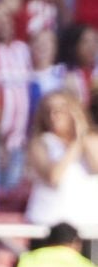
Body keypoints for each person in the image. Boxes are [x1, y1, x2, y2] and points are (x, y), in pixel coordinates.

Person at [24, 90, 98, 229]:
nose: (54, 116)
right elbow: (54, 178)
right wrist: (74, 145)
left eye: (61, 110)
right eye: (49, 110)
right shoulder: (40, 143)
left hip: (87, 222)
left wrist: (82, 134)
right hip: (48, 221)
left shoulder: (91, 139)